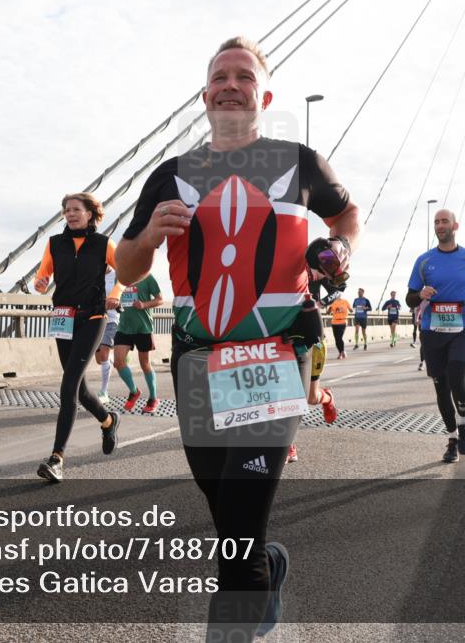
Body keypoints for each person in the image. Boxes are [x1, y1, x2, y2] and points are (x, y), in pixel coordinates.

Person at [114, 36, 360, 640]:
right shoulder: (172, 175)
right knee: (222, 500)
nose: (230, 84)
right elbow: (124, 268)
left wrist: (342, 250)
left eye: (243, 76)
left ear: (263, 94)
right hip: (197, 359)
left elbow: (346, 214)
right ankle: (266, 566)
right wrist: (147, 239)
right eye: (219, 76)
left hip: (274, 354)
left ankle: (246, 594)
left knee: (240, 532)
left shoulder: (298, 161)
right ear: (204, 96)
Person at [34, 193, 123, 483]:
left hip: (93, 317)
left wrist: (114, 294)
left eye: (76, 209)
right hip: (63, 318)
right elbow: (41, 277)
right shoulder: (54, 244)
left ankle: (56, 458)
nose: (70, 214)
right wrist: (41, 283)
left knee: (68, 384)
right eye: (66, 210)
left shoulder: (103, 243)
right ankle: (108, 421)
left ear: (90, 214)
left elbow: (125, 270)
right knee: (81, 391)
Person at [405, 209, 465, 464]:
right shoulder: (423, 261)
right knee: (441, 386)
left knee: (456, 374)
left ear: (455, 225)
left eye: (444, 221)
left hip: (463, 326)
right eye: (436, 222)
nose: (440, 225)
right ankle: (452, 439)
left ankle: (464, 422)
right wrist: (420, 295)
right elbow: (409, 296)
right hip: (432, 330)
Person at [288, 276, 343, 465]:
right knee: (291, 396)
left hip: (313, 338)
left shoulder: (312, 264)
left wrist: (319, 303)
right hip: (288, 338)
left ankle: (326, 397)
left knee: (310, 398)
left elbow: (337, 291)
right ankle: (288, 444)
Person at [114, 274, 164, 414]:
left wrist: (144, 305)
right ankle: (134, 391)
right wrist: (117, 304)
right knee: (118, 361)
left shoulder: (147, 276)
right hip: (124, 327)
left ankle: (153, 398)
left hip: (143, 327)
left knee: (144, 363)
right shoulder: (119, 277)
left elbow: (160, 300)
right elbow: (116, 297)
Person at [95, 270, 121, 405]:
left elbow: (123, 292)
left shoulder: (117, 275)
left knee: (104, 353)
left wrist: (117, 300)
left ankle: (104, 392)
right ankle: (112, 358)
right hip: (96, 319)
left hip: (112, 320)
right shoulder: (95, 273)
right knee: (99, 360)